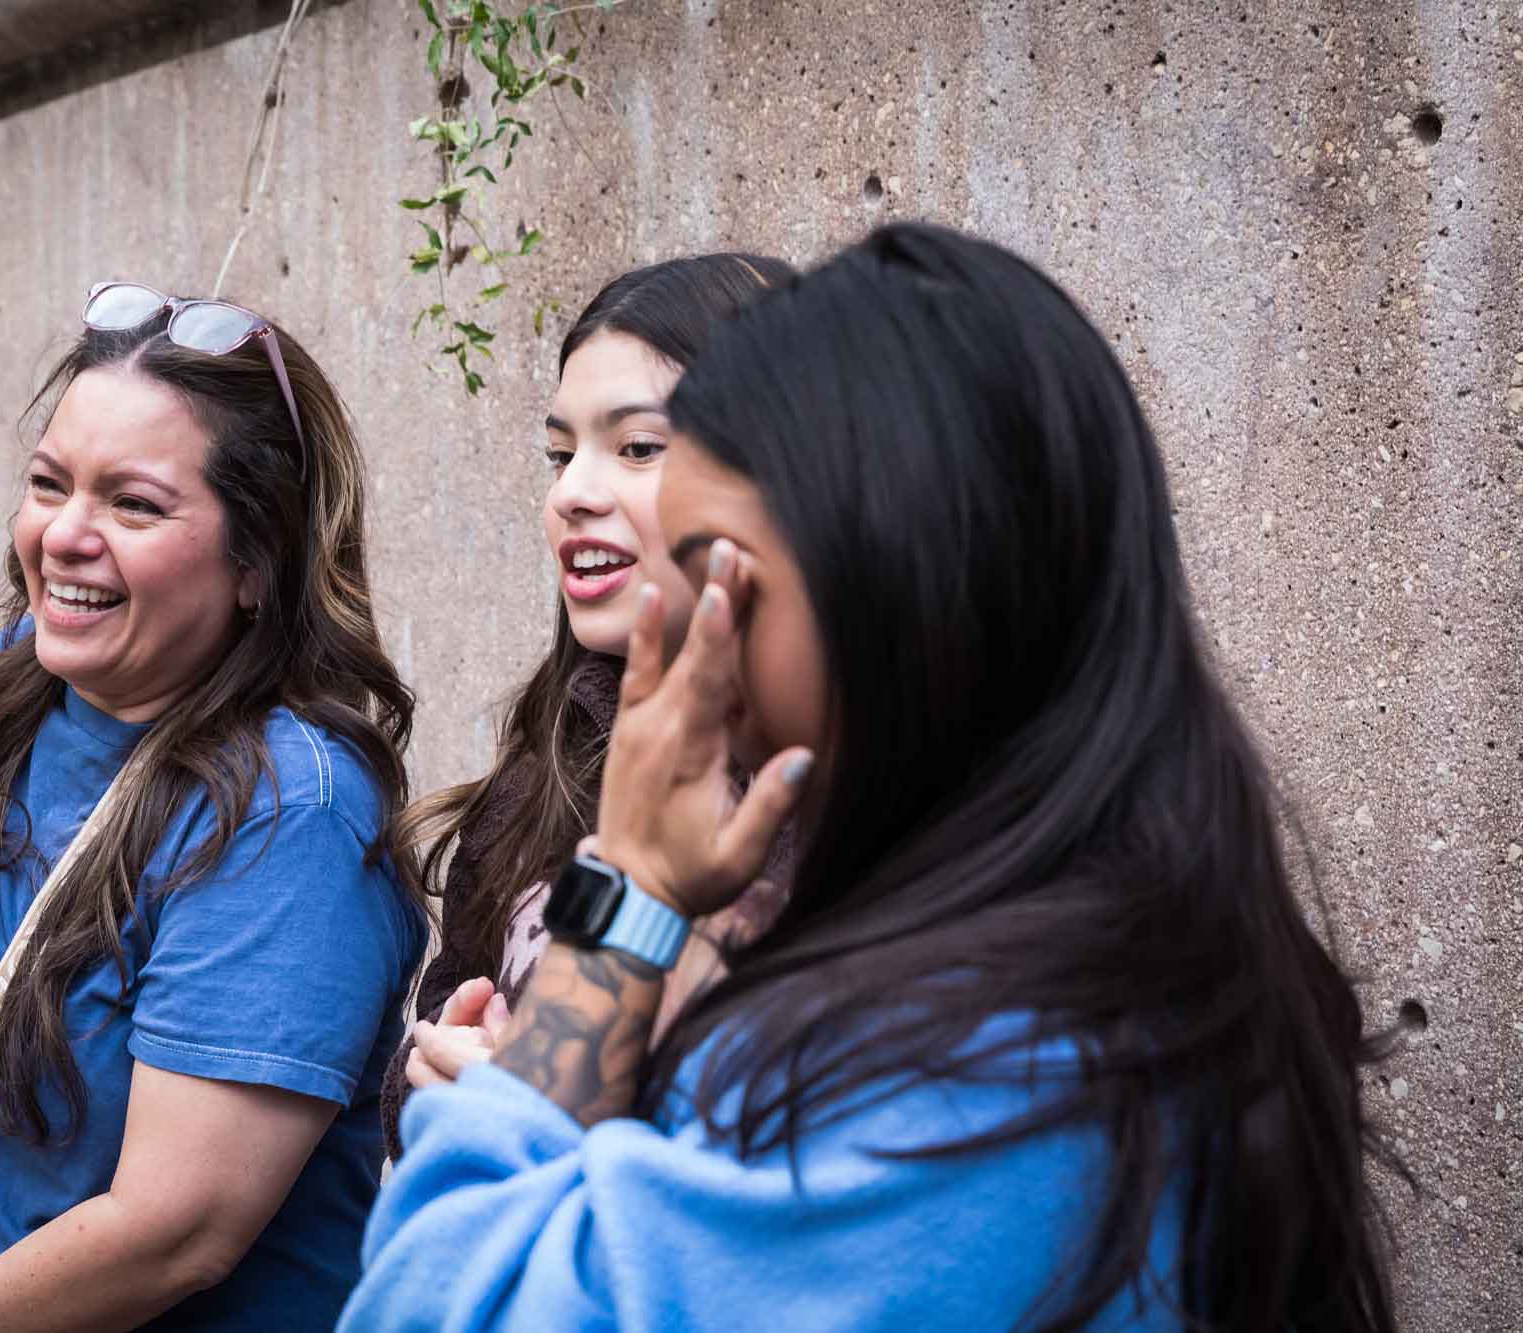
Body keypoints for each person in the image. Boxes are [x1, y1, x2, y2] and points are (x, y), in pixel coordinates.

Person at [341, 224, 1400, 1331]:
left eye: (717, 568)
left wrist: (618, 916)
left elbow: (431, 1307)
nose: (702, 638)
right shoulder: (1092, 931)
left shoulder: (983, 1070)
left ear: (893, 578)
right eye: (559, 456)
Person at [0, 286, 426, 1333]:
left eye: (133, 504)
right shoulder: (12, 689)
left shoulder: (293, 813)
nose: (65, 535)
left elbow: (174, 1229)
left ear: (256, 562)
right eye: (48, 484)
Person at [378, 255, 798, 1159]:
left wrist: (542, 1101)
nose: (571, 492)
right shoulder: (551, 760)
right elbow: (420, 1068)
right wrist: (447, 1069)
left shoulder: (842, 790)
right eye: (561, 454)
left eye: (640, 447)